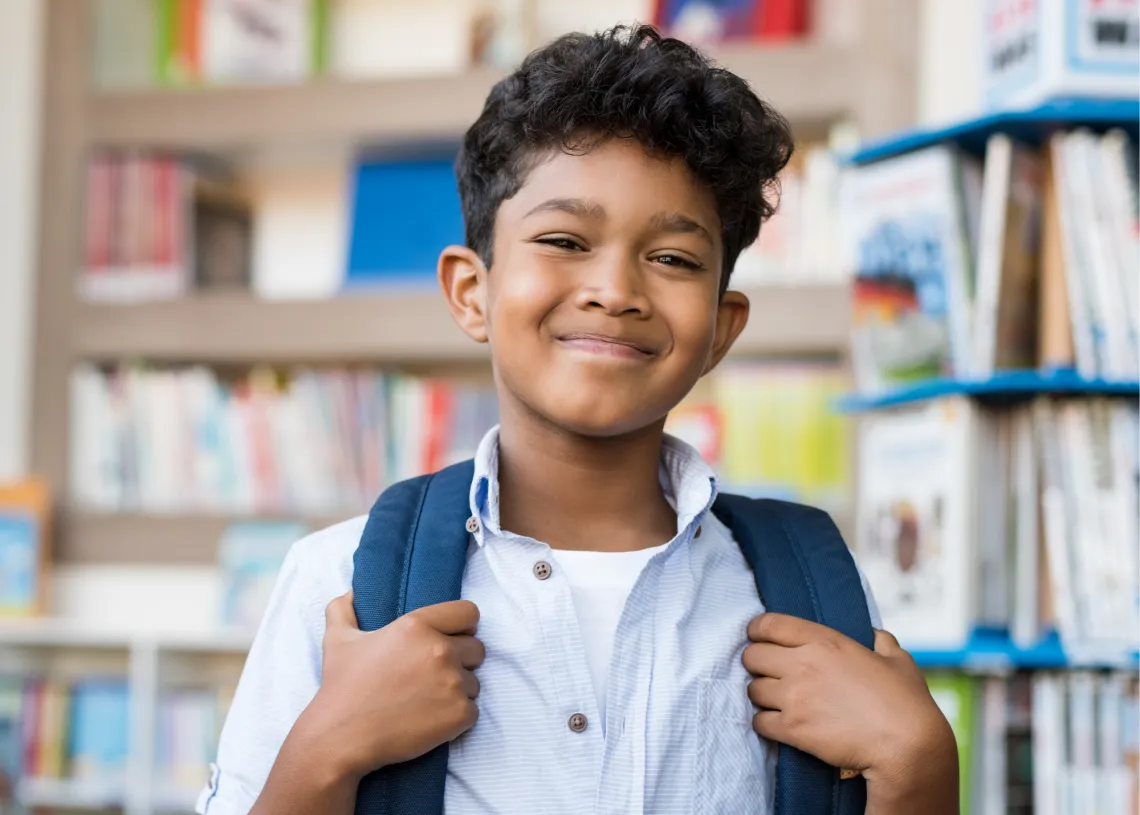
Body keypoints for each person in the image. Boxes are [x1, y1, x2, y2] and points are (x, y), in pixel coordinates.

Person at [196, 25, 958, 815]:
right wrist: (327, 748)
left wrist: (921, 764)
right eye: (564, 240)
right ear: (470, 291)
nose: (614, 287)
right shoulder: (341, 585)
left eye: (672, 258)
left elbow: (896, 763)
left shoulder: (808, 592)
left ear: (722, 327)